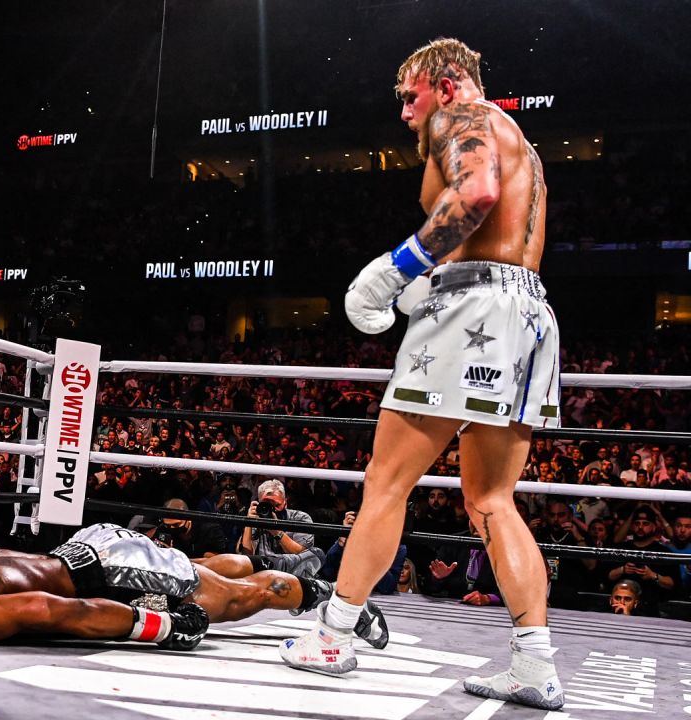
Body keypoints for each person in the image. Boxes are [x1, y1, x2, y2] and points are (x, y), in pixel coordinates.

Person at [282, 38, 565, 711]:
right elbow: (497, 232)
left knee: (385, 482)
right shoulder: (517, 136)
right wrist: (430, 278)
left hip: (471, 312)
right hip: (529, 313)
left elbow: (476, 194)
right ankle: (535, 665)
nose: (407, 112)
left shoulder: (460, 119)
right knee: (491, 500)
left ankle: (334, 635)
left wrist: (396, 269)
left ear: (446, 82)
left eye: (410, 95)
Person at [0, 523, 387, 650]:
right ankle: (239, 563)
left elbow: (66, 611)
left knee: (228, 602)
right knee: (201, 571)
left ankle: (338, 598)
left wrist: (163, 625)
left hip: (112, 571)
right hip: (85, 546)